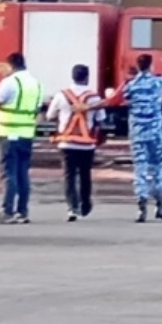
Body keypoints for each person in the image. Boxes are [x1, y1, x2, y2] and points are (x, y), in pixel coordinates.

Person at [0, 52, 44, 225]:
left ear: (10, 65)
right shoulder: (36, 84)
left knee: (8, 173)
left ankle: (7, 211)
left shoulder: (10, 82)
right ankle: (22, 211)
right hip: (26, 134)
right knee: (22, 173)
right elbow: (38, 110)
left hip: (8, 132)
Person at [121, 53, 162, 223]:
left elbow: (124, 96)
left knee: (140, 168)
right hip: (155, 133)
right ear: (151, 65)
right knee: (158, 167)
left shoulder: (131, 85)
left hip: (138, 133)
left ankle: (141, 205)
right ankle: (160, 204)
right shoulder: (158, 82)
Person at [47, 64, 105, 221]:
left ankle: (72, 208)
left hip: (67, 143)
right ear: (87, 77)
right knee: (85, 175)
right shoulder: (94, 97)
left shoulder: (61, 95)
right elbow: (101, 119)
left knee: (69, 176)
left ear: (72, 77)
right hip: (87, 144)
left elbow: (50, 116)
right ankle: (85, 204)